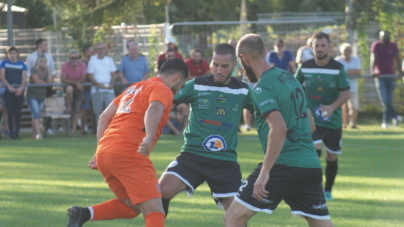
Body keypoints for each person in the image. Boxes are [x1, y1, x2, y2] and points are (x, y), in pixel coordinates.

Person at [224, 33, 334, 227]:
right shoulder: (291, 79)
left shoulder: (261, 88)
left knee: (233, 217)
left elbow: (279, 128)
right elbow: (311, 125)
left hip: (283, 165)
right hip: (310, 165)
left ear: (244, 59)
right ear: (265, 52)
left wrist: (265, 172)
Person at [66, 58, 189, 227]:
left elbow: (104, 118)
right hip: (129, 153)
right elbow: (154, 108)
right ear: (176, 78)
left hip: (105, 154)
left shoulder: (134, 88)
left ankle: (83, 214)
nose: (178, 90)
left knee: (132, 206)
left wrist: (98, 151)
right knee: (155, 210)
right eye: (181, 85)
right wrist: (148, 136)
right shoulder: (163, 89)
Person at [158, 43, 253, 217]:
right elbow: (166, 100)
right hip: (192, 155)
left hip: (225, 160)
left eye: (224, 66)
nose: (218, 70)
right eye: (215, 65)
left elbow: (265, 115)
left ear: (234, 65)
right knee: (161, 192)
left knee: (236, 212)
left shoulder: (242, 90)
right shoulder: (196, 85)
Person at [295, 31, 351, 201]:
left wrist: (332, 107)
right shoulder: (304, 66)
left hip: (332, 121)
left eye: (322, 45)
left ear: (329, 47)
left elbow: (346, 92)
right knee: (314, 151)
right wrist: (301, 109)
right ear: (311, 48)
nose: (319, 49)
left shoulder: (337, 68)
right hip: (311, 119)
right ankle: (314, 189)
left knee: (331, 156)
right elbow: (294, 88)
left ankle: (328, 190)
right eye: (316, 46)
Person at [370, 30, 403, 128]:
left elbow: (398, 59)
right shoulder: (376, 45)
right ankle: (396, 116)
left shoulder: (393, 45)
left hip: (391, 76)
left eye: (387, 36)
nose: (385, 38)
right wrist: (372, 70)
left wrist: (400, 71)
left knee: (389, 100)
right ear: (380, 37)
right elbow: (373, 58)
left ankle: (386, 122)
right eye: (383, 36)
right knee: (385, 100)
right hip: (381, 77)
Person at [0, 46, 27, 140]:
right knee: (10, 113)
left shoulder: (22, 64)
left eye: (14, 53)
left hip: (18, 92)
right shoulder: (4, 63)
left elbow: (24, 79)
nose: (12, 55)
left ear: (17, 54)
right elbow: (2, 76)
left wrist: (20, 88)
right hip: (8, 92)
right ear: (7, 55)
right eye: (10, 53)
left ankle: (17, 134)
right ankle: (11, 134)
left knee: (18, 113)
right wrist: (9, 86)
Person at [87, 42, 117, 126]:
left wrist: (112, 83)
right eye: (98, 49)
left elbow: (114, 74)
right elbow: (90, 75)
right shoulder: (92, 61)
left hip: (109, 90)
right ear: (95, 50)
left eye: (102, 49)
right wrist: (98, 85)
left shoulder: (109, 60)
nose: (100, 51)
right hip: (97, 90)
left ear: (105, 49)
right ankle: (99, 130)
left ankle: (112, 129)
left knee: (112, 110)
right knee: (97, 112)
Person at [25, 56, 54, 140]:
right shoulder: (34, 70)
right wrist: (46, 84)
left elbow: (50, 82)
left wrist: (48, 71)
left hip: (41, 96)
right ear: (39, 62)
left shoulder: (46, 72)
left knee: (37, 115)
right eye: (42, 62)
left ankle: (33, 134)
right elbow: (37, 81)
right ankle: (39, 134)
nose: (44, 64)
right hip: (32, 96)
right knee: (36, 113)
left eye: (45, 62)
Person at [61, 49, 87, 137]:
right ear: (69, 58)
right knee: (69, 89)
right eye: (72, 58)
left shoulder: (82, 65)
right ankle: (68, 106)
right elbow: (63, 79)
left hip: (79, 88)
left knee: (76, 110)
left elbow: (83, 78)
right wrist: (76, 82)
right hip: (69, 86)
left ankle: (73, 131)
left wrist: (77, 83)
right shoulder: (65, 65)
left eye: (76, 57)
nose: (74, 59)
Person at [335, 43, 361, 129]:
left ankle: (352, 123)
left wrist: (345, 72)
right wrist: (350, 72)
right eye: (345, 50)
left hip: (353, 87)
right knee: (343, 107)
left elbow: (358, 72)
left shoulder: (356, 59)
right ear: (341, 51)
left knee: (354, 106)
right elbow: (337, 73)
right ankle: (344, 124)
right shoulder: (338, 60)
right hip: (341, 88)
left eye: (349, 51)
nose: (347, 52)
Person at [80, 44, 94, 135]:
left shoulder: (93, 61)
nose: (92, 53)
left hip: (94, 88)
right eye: (90, 51)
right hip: (84, 89)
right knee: (84, 110)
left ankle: (94, 129)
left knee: (94, 110)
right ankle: (82, 129)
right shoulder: (81, 63)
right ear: (85, 53)